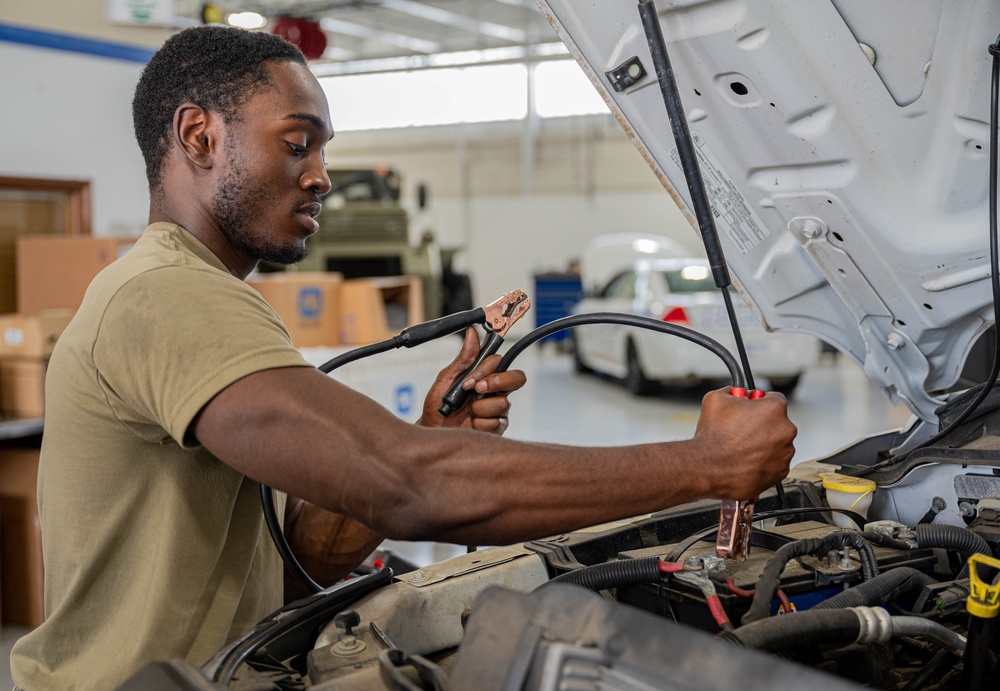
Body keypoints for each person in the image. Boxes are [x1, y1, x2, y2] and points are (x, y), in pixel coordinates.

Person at [9, 26, 797, 690]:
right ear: (199, 136)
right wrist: (704, 464)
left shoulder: (200, 296)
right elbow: (409, 485)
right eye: (297, 143)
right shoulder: (164, 295)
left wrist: (429, 427)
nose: (320, 175)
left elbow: (302, 562)